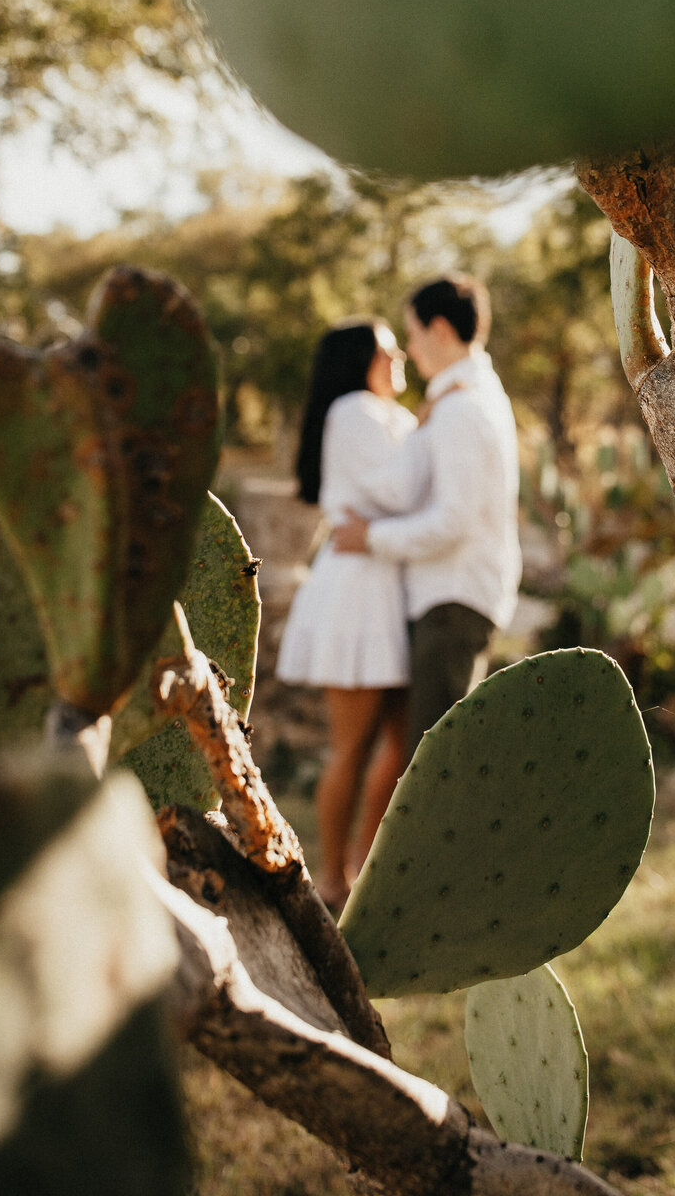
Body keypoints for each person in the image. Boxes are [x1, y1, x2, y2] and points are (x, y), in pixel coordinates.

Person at [332, 275, 521, 747]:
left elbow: (451, 522)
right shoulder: (459, 399)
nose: (410, 351)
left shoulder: (462, 409)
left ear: (438, 329)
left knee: (437, 764)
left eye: (413, 335)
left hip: (453, 599)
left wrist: (370, 537)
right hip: (451, 596)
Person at [276, 318, 416, 912]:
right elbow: (400, 491)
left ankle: (359, 869)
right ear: (361, 360)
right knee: (352, 746)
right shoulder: (357, 411)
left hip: (381, 580)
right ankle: (333, 878)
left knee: (401, 742)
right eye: (388, 347)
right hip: (360, 591)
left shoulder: (383, 413)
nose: (399, 355)